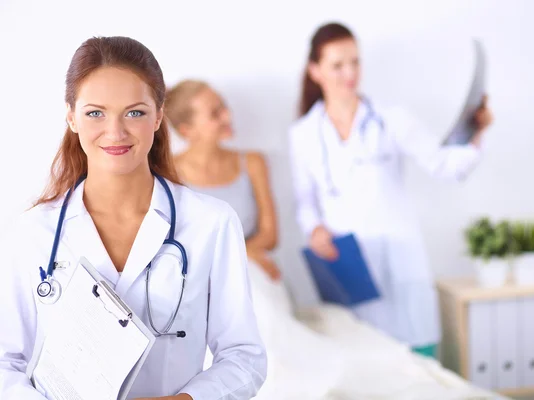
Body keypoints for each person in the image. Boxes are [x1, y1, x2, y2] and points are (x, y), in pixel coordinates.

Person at [0, 36, 266, 399]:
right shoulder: (33, 232)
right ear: (71, 117)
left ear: (159, 116)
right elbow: (6, 364)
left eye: (135, 112)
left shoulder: (211, 224)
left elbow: (244, 357)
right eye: (95, 112)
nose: (116, 131)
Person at [287, 22, 493, 358]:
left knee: (417, 359)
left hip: (401, 254)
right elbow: (305, 201)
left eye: (355, 62)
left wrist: (477, 133)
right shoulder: (303, 133)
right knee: (362, 364)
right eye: (337, 65)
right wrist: (315, 229)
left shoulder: (391, 119)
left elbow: (444, 165)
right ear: (315, 71)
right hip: (349, 264)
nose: (350, 73)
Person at [164, 80, 281, 281]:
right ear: (186, 130)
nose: (228, 116)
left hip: (250, 274)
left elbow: (270, 236)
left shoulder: (252, 162)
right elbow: (175, 247)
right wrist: (242, 254)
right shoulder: (168, 174)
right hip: (201, 279)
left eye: (224, 107)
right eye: (215, 113)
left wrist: (238, 258)